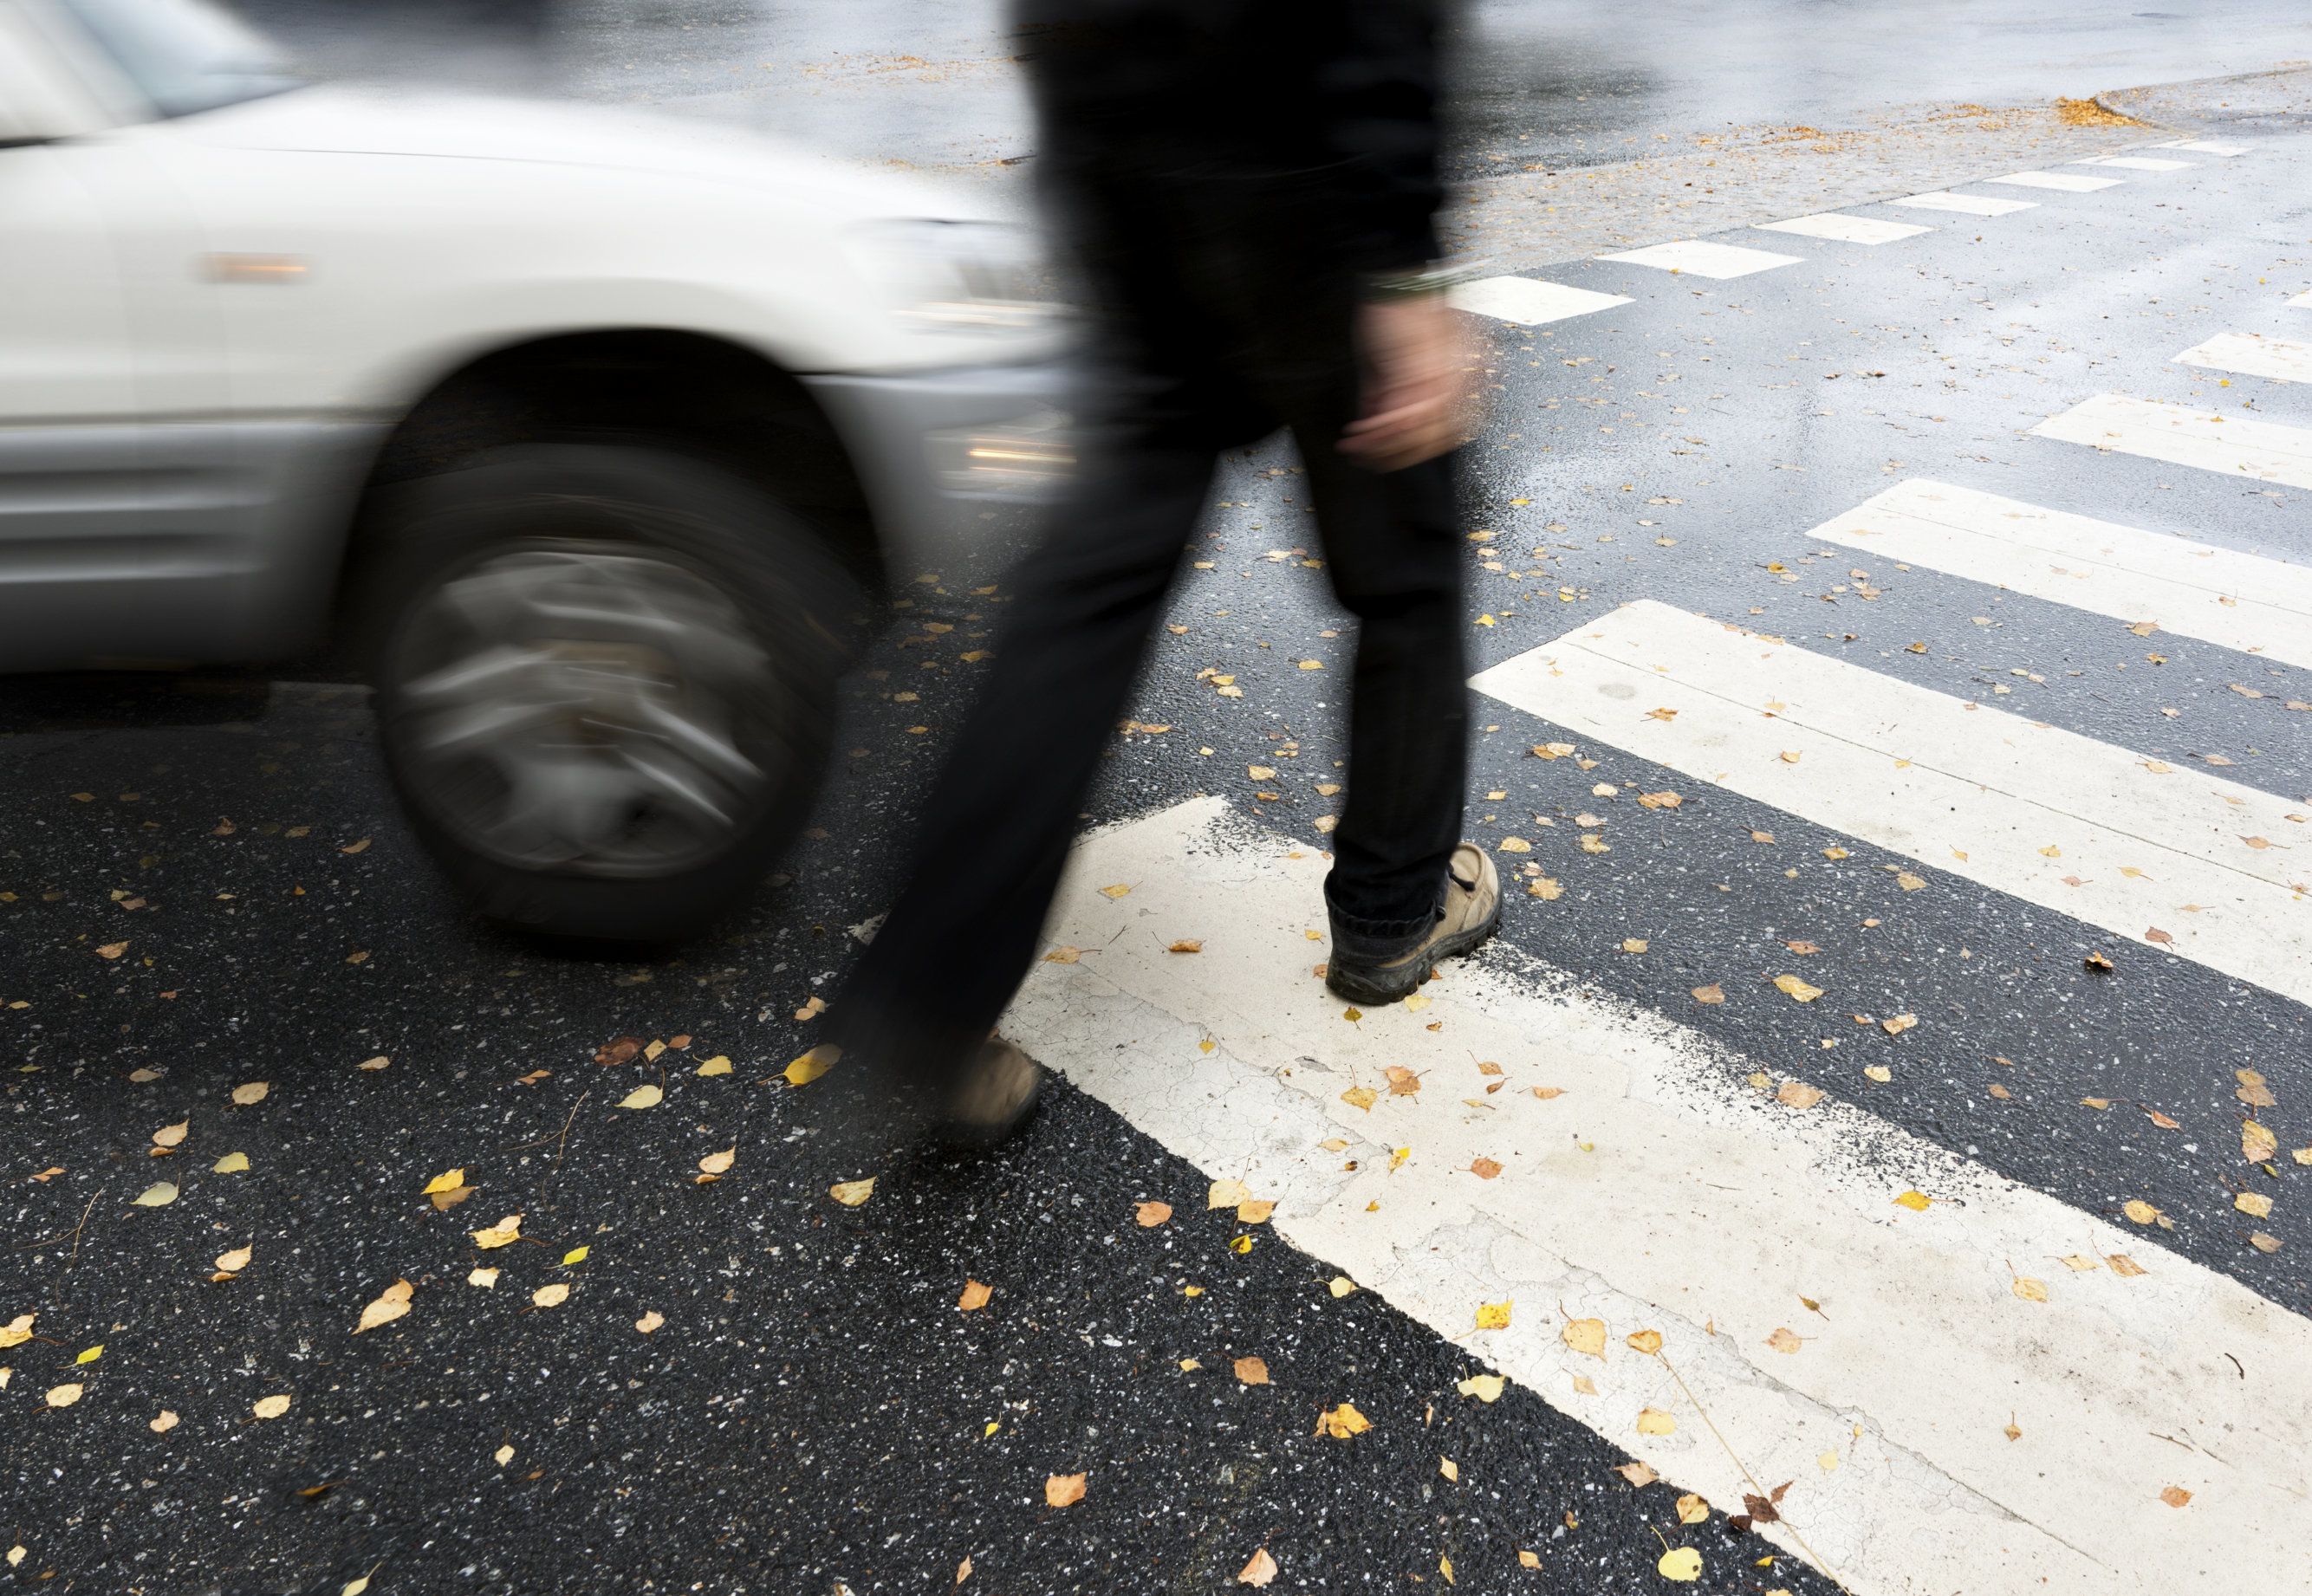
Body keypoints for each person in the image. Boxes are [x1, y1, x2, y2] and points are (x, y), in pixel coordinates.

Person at [828, 0, 1495, 1145]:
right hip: (1300, 157)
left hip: (1122, 152)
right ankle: (1392, 913)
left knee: (1087, 596)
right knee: (1408, 565)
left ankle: (931, 994)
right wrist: (1399, 268)